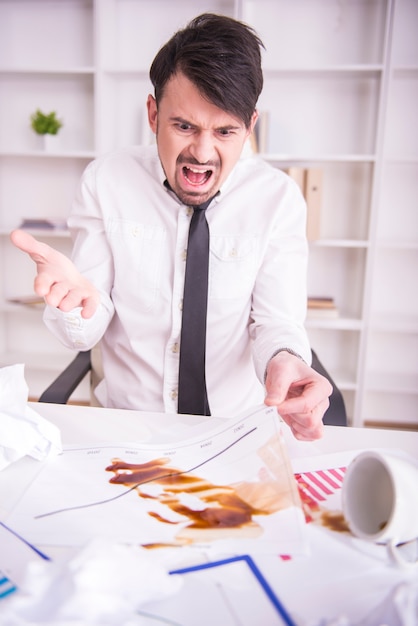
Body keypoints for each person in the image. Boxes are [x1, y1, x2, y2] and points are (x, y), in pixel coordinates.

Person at [11, 13, 332, 441]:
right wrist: (73, 303)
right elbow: (86, 326)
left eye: (225, 131)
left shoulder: (279, 200)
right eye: (184, 126)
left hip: (234, 432)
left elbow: (276, 321)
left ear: (250, 125)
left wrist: (285, 359)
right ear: (152, 113)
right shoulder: (106, 181)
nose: (202, 153)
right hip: (124, 431)